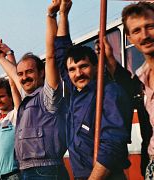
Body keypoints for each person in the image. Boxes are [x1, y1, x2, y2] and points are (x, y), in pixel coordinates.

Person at [52, 0, 132, 179]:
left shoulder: (109, 92)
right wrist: (63, 14)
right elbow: (61, 51)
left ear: (96, 67)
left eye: (84, 66)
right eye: (72, 69)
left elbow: (112, 145)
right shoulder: (74, 92)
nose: (78, 73)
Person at [0, 2, 68, 179]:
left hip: (46, 170)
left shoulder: (48, 95)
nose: (24, 77)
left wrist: (51, 16)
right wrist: (1, 57)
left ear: (42, 73)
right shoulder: (29, 97)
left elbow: (50, 55)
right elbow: (14, 73)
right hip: (27, 170)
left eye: (29, 72)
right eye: (21, 74)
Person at [120, 2, 154, 177]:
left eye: (150, 26)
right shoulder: (140, 78)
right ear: (129, 38)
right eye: (137, 31)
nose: (145, 35)